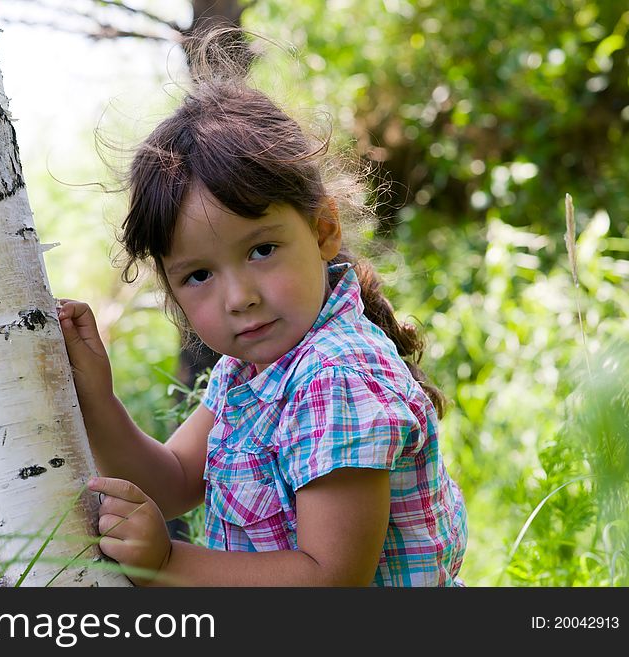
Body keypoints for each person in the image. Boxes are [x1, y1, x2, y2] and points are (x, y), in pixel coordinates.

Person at [56, 42, 467, 587]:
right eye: (198, 275)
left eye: (261, 250)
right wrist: (97, 400)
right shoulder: (249, 371)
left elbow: (331, 577)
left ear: (323, 230)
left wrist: (169, 565)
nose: (239, 297)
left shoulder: (334, 375)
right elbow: (176, 480)